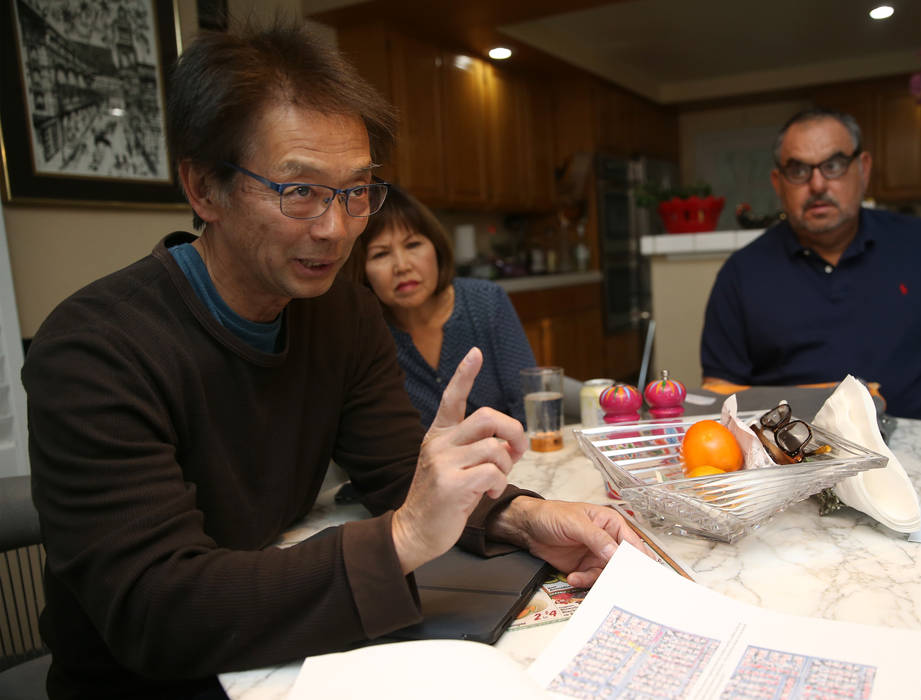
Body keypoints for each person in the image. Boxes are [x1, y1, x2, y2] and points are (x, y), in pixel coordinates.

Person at [22, 23, 643, 698]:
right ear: (204, 189)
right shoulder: (96, 349)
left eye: (355, 191)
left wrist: (525, 517)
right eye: (300, 191)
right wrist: (403, 537)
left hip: (277, 644)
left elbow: (396, 465)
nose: (336, 227)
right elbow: (158, 610)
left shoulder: (338, 312)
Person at [700, 107, 921, 427]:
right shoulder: (742, 274)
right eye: (798, 170)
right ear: (778, 182)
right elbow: (721, 389)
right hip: (794, 462)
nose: (817, 185)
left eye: (834, 165)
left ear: (864, 167)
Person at [344, 186, 535, 428]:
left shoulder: (486, 300)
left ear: (436, 248)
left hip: (509, 458)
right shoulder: (366, 334)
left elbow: (530, 407)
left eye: (413, 245)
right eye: (380, 254)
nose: (402, 266)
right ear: (362, 272)